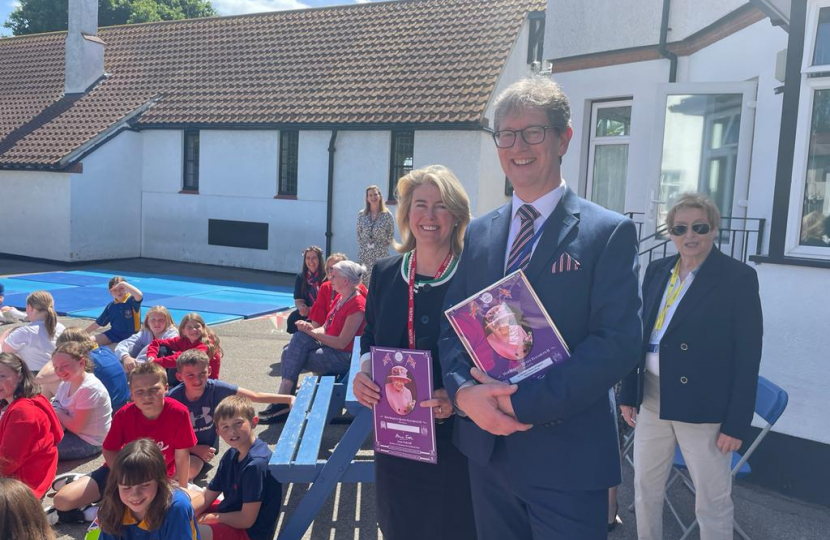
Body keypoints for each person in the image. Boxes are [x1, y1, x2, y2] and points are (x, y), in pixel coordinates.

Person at [438, 77, 642, 539]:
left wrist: (518, 404)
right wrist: (464, 395)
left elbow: (618, 344)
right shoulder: (482, 232)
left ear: (563, 137)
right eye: (505, 135)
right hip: (487, 454)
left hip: (567, 458)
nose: (518, 146)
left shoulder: (607, 233)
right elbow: (454, 325)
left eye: (533, 132)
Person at [619, 193, 763, 540]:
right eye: (680, 228)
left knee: (711, 501)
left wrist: (737, 422)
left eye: (699, 227)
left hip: (704, 407)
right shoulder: (657, 270)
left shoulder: (737, 278)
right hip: (653, 400)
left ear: (714, 230)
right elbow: (637, 334)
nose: (690, 235)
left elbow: (748, 354)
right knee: (645, 490)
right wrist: (628, 391)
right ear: (670, 233)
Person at [352, 165, 477, 540]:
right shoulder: (386, 273)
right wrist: (364, 374)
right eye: (420, 204)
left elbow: (489, 355)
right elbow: (370, 335)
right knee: (398, 527)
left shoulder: (473, 275)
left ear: (456, 216)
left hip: (454, 442)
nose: (429, 216)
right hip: (395, 440)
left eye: (441, 206)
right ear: (406, 214)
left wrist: (459, 397)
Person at [53, 361, 197, 519]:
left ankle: (93, 513)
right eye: (140, 391)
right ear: (132, 393)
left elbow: (182, 455)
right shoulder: (124, 415)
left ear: (166, 388)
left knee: (157, 514)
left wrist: (183, 488)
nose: (147, 396)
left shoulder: (178, 413)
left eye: (154, 389)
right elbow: (109, 449)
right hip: (123, 471)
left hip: (155, 477)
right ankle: (91, 492)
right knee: (62, 501)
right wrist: (122, 476)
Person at [168, 349, 294, 479]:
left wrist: (288, 399)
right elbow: (166, 434)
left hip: (203, 450)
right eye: (190, 375)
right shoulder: (172, 398)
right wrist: (194, 448)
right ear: (179, 377)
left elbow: (255, 396)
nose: (198, 380)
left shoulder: (216, 388)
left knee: (192, 468)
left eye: (202, 373)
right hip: (181, 447)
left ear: (209, 371)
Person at [190, 396, 282, 540]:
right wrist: (182, 514)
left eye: (238, 423)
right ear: (218, 432)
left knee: (191, 532)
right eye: (225, 427)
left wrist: (214, 517)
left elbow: (246, 520)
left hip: (249, 533)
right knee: (181, 501)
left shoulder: (256, 464)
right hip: (232, 513)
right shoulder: (232, 453)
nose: (232, 431)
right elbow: (207, 495)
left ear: (254, 422)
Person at [271, 260, 366, 397]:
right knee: (298, 338)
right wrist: (309, 329)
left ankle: (283, 397)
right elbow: (325, 328)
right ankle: (285, 397)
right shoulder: (341, 297)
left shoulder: (357, 305)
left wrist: (312, 333)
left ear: (345, 280)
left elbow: (341, 342)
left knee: (289, 354)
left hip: (344, 357)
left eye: (334, 276)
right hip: (330, 348)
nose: (330, 279)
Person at [96, 439, 200, 540]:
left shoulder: (176, 508)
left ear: (159, 481)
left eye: (145, 485)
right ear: (116, 486)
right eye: (126, 487)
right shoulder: (113, 507)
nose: (135, 495)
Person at [0, 352, 63, 499]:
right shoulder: (30, 397)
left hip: (25, 481)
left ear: (20, 376)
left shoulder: (23, 413)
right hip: (38, 469)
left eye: (2, 376)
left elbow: (6, 463)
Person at [37, 328, 130, 412]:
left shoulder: (84, 361)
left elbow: (40, 378)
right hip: (121, 404)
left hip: (107, 411)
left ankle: (42, 413)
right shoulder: (105, 350)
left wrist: (56, 359)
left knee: (48, 383)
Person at [51, 341, 112, 461]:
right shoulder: (66, 382)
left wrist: (57, 412)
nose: (59, 371)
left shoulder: (89, 388)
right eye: (56, 367)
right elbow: (56, 403)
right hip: (70, 430)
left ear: (81, 362)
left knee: (37, 447)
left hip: (89, 441)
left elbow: (76, 427)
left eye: (64, 365)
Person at [1, 290, 64, 373]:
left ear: (30, 308)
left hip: (31, 378)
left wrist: (6, 334)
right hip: (57, 374)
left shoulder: (24, 332)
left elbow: (5, 354)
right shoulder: (61, 328)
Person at [147, 312, 223, 381]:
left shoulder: (205, 345)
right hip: (190, 377)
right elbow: (157, 342)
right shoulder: (184, 341)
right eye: (189, 327)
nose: (193, 330)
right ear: (183, 331)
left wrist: (155, 362)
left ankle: (164, 383)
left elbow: (182, 359)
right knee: (163, 348)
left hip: (204, 382)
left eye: (197, 327)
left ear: (203, 328)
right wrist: (151, 356)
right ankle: (159, 378)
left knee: (179, 362)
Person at [307, 253, 368, 327]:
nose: (332, 271)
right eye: (329, 268)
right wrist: (313, 333)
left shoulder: (358, 288)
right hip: (326, 332)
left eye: (336, 268)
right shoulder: (326, 287)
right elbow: (318, 319)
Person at [116, 306, 179, 373]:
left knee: (160, 347)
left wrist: (138, 364)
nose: (157, 323)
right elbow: (124, 344)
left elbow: (153, 347)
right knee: (131, 347)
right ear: (147, 322)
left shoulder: (172, 334)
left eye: (161, 320)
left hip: (163, 369)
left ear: (168, 322)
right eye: (153, 320)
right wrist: (126, 357)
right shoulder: (146, 333)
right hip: (143, 365)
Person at [85, 277, 144, 346]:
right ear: (110, 292)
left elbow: (139, 295)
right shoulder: (111, 306)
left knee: (110, 351)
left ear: (127, 289)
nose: (118, 292)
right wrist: (83, 333)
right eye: (115, 290)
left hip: (131, 336)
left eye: (121, 288)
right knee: (85, 343)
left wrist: (123, 283)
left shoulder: (132, 301)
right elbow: (98, 323)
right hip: (113, 334)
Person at [357, 184, 395, 286]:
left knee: (379, 280)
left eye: (375, 194)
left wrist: (382, 245)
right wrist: (364, 245)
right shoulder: (362, 214)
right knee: (363, 281)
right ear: (367, 198)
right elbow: (358, 233)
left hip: (380, 254)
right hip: (365, 254)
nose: (373, 197)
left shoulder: (387, 215)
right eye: (370, 195)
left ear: (380, 196)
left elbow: (391, 233)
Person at [286, 246, 324, 334]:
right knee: (292, 319)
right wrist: (302, 308)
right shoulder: (301, 277)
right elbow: (298, 300)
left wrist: (312, 310)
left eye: (314, 258)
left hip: (323, 311)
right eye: (308, 258)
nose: (310, 261)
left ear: (320, 260)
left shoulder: (326, 277)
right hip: (307, 312)